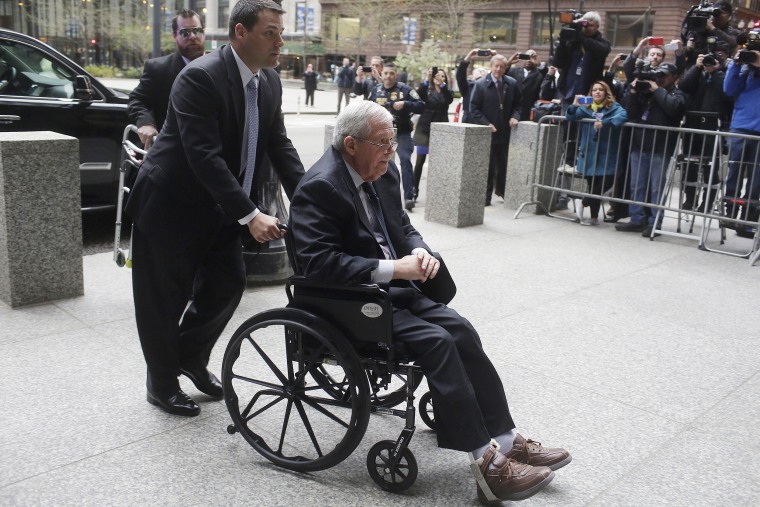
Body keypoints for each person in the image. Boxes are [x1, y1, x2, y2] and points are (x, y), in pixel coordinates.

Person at [288, 100, 571, 505]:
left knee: (459, 328)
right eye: (383, 141)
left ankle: (507, 440)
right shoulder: (320, 186)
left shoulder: (382, 171)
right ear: (351, 144)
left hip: (395, 290)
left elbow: (403, 225)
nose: (392, 148)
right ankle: (487, 464)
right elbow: (318, 264)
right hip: (348, 302)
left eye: (391, 140)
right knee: (436, 340)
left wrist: (420, 253)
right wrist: (393, 268)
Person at [125, 0, 305, 417]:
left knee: (227, 284)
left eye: (281, 32)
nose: (281, 40)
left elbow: (279, 145)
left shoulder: (270, 82)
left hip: (222, 206)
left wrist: (314, 198)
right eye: (271, 32)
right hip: (170, 205)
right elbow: (204, 156)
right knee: (163, 300)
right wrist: (251, 214)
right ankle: (162, 381)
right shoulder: (199, 77)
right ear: (239, 33)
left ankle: (187, 357)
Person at [616, 62, 686, 237]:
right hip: (639, 144)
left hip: (660, 147)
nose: (660, 78)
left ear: (675, 77)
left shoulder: (677, 93)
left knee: (656, 187)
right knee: (636, 185)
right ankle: (636, 219)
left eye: (664, 75)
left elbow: (673, 108)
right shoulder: (645, 92)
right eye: (658, 75)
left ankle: (655, 222)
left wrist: (657, 90)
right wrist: (633, 92)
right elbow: (631, 113)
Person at [128, 9, 206, 149]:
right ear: (174, 36)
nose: (193, 36)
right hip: (174, 152)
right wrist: (146, 123)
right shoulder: (158, 69)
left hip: (214, 150)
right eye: (185, 32)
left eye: (197, 30)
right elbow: (137, 99)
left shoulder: (222, 66)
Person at [565, 81, 628, 225]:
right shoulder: (585, 108)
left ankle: (584, 201)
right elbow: (569, 117)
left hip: (608, 153)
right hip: (589, 154)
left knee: (607, 182)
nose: (597, 92)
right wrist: (574, 105)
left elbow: (623, 116)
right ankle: (593, 218)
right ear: (591, 93)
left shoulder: (614, 107)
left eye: (601, 90)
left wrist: (605, 122)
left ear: (606, 93)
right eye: (594, 90)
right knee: (593, 186)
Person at [367, 61, 424, 211]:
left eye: (392, 73)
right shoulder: (375, 90)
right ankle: (378, 195)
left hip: (402, 131)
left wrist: (405, 103)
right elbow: (365, 108)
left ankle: (408, 197)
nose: (388, 76)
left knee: (405, 160)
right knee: (377, 162)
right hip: (381, 134)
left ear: (396, 75)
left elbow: (421, 105)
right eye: (386, 73)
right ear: (382, 74)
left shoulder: (405, 90)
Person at [677, 52, 730, 212]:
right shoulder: (697, 74)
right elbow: (684, 86)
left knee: (710, 167)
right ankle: (690, 198)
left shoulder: (723, 75)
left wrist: (715, 71)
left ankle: (707, 202)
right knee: (689, 165)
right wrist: (697, 67)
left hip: (713, 126)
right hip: (693, 124)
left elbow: (726, 93)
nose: (708, 63)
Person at [469, 54, 522, 206]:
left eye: (502, 67)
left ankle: (503, 191)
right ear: (491, 67)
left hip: (505, 131)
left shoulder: (511, 83)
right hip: (488, 133)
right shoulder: (480, 85)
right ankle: (486, 197)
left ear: (505, 68)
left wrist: (515, 116)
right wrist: (486, 124)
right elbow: (474, 108)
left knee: (504, 165)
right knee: (489, 167)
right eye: (496, 66)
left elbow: (519, 104)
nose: (498, 69)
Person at [722, 45, 760, 238]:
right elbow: (729, 90)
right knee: (734, 171)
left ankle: (747, 219)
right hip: (741, 126)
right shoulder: (745, 69)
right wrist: (736, 64)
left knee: (757, 179)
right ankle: (728, 212)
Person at [412, 67, 453, 200]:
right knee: (420, 161)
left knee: (439, 162)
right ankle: (414, 190)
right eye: (437, 75)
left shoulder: (446, 90)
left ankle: (437, 192)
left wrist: (443, 86)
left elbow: (450, 100)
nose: (440, 77)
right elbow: (419, 94)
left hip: (441, 130)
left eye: (442, 76)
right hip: (425, 130)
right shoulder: (426, 88)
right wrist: (427, 80)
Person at [507, 49, 548, 122]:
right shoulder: (514, 71)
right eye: (526, 57)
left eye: (532, 58)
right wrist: (508, 64)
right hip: (512, 112)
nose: (529, 60)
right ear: (522, 59)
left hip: (530, 111)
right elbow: (502, 75)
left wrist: (539, 65)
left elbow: (547, 78)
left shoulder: (540, 74)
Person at [455, 48, 491, 124]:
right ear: (472, 76)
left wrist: (494, 56)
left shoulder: (490, 86)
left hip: (485, 120)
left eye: (483, 72)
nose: (481, 73)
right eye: (478, 71)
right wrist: (468, 57)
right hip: (469, 120)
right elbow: (460, 76)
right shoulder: (467, 86)